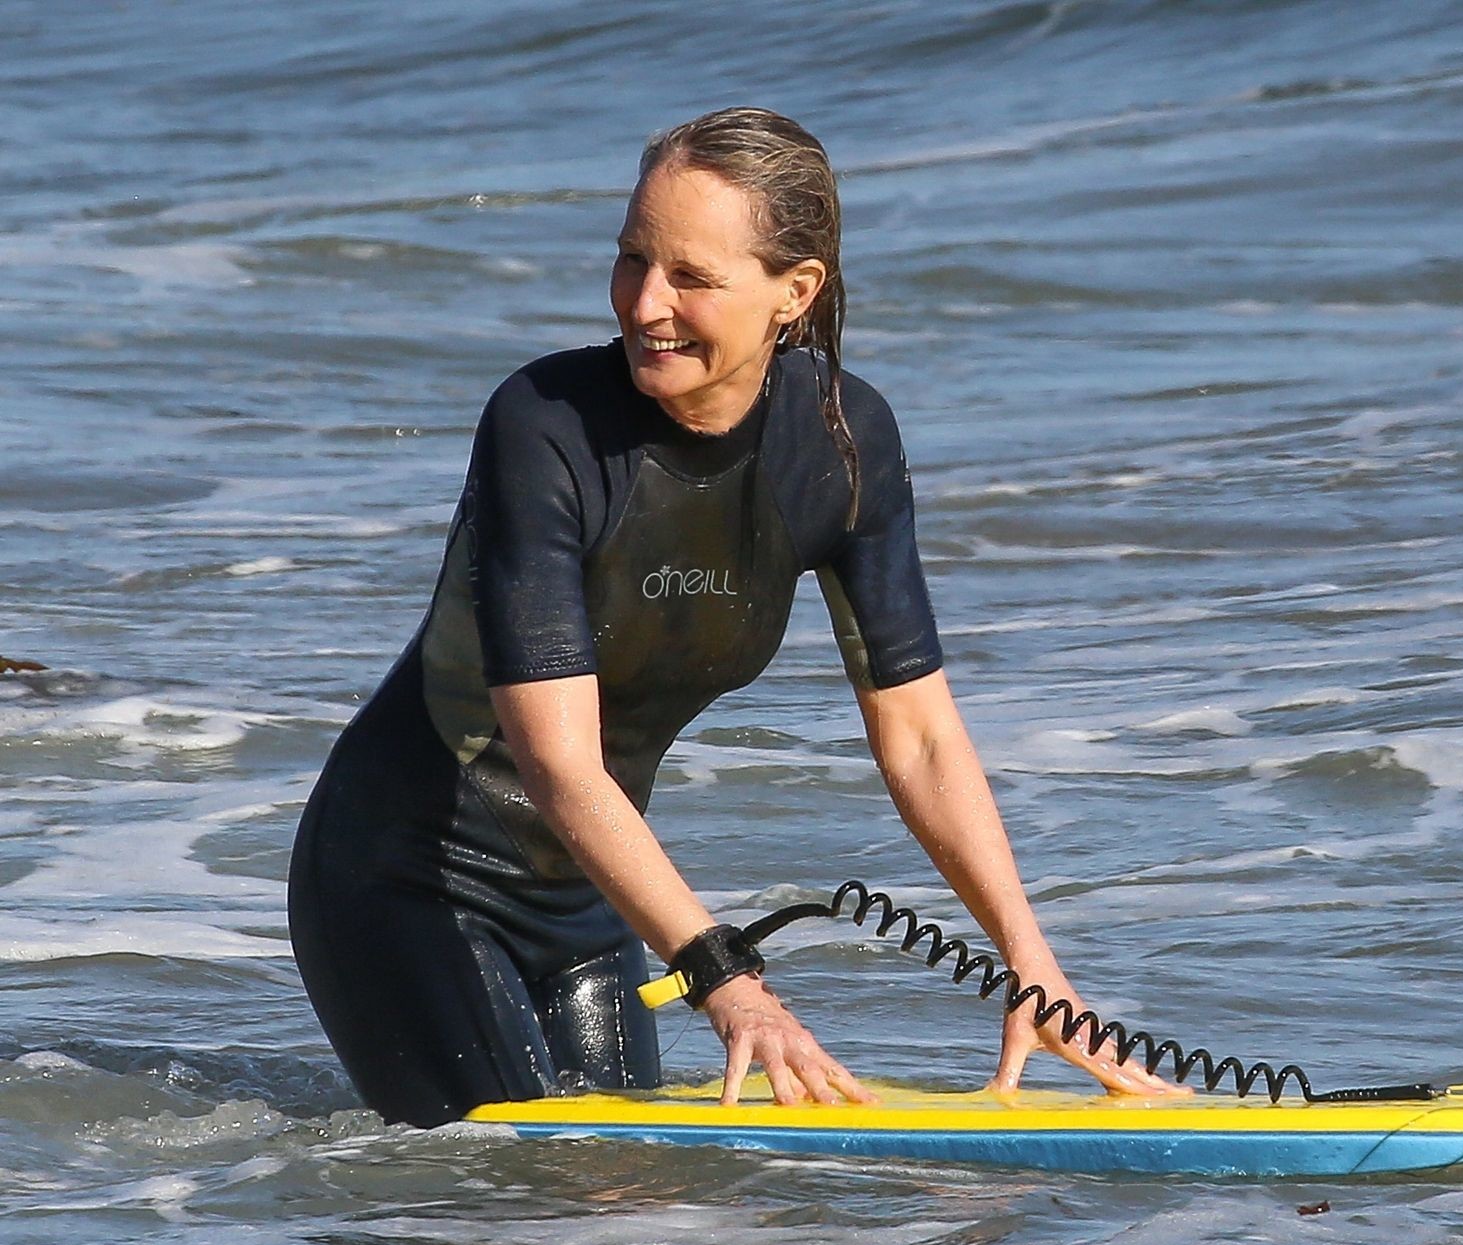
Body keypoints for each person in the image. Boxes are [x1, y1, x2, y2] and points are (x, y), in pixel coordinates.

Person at [287, 107, 1181, 1127]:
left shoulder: (840, 443)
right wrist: (725, 976)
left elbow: (923, 735)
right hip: (406, 878)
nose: (646, 304)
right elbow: (557, 762)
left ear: (794, 293)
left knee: (630, 1186)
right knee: (523, 1182)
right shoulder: (546, 426)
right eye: (633, 259)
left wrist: (1034, 969)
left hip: (587, 899)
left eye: (692, 277)